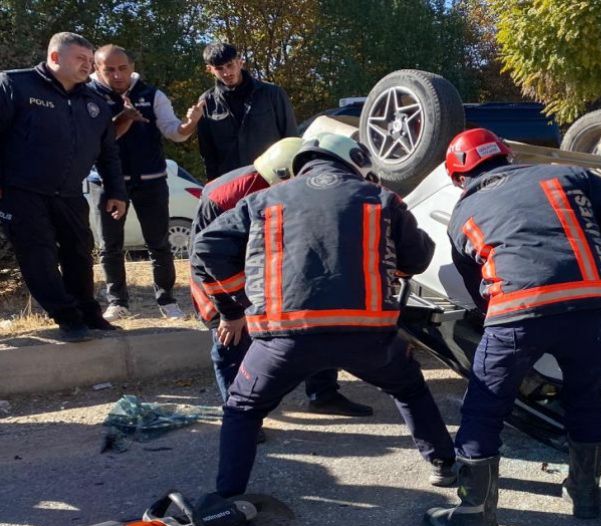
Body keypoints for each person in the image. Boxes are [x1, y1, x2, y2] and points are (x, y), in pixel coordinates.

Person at [191, 133, 456, 498]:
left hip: (283, 337)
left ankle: (226, 500)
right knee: (409, 388)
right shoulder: (381, 199)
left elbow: (204, 248)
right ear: (358, 164)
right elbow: (419, 258)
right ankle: (443, 464)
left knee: (242, 410)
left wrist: (233, 305)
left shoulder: (261, 200)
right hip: (368, 337)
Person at [423, 129, 601, 526]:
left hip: (517, 312)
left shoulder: (462, 215)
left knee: (484, 407)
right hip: (594, 306)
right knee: (586, 397)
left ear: (458, 178)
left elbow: (479, 293)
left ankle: (474, 516)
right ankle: (584, 494)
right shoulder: (567, 175)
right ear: (507, 155)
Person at [190, 137, 374, 437]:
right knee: (230, 341)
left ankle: (322, 393)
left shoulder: (298, 187)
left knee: (317, 324)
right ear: (284, 174)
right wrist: (229, 310)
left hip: (267, 266)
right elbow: (205, 256)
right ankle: (240, 416)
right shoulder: (225, 197)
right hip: (218, 270)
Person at [0, 32, 127, 342]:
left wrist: (116, 191)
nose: (88, 66)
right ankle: (68, 320)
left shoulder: (94, 101)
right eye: (80, 59)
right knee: (39, 255)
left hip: (70, 192)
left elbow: (108, 153)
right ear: (55, 57)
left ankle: (89, 314)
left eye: (89, 60)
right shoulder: (15, 85)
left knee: (80, 254)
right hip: (22, 192)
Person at [90, 44, 205, 320]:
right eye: (109, 70)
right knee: (110, 246)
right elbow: (91, 143)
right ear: (97, 69)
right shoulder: (87, 95)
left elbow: (174, 133)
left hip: (151, 180)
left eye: (123, 68)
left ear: (132, 66)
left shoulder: (152, 95)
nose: (117, 75)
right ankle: (118, 302)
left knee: (159, 243)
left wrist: (190, 124)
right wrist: (123, 120)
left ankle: (167, 300)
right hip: (106, 183)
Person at [197, 43, 296, 181]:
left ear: (240, 62)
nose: (227, 73)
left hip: (272, 179)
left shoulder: (272, 94)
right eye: (219, 68)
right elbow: (208, 153)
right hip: (232, 184)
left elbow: (291, 138)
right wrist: (213, 186)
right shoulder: (206, 103)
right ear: (209, 70)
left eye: (230, 65)